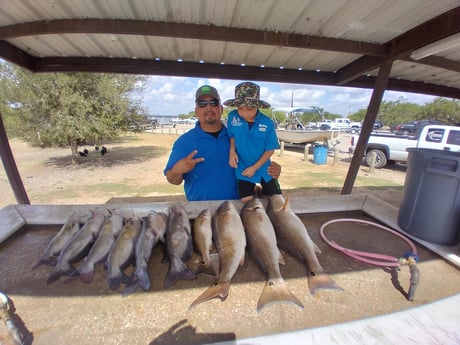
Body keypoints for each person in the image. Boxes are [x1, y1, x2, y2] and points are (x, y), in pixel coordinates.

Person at [164, 85, 281, 201]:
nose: (208, 107)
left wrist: (273, 169)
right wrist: (176, 170)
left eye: (213, 102)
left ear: (221, 109)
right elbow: (172, 180)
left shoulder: (239, 137)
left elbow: (261, 154)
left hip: (239, 212)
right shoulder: (184, 142)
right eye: (202, 103)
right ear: (196, 110)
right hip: (202, 212)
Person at [224, 82, 282, 203]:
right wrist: (232, 151)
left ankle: (260, 192)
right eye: (240, 108)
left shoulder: (267, 123)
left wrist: (255, 167)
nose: (244, 113)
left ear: (257, 106)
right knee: (247, 201)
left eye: (250, 109)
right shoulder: (232, 117)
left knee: (276, 200)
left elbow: (270, 149)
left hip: (264, 167)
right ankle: (256, 191)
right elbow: (232, 135)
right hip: (242, 167)